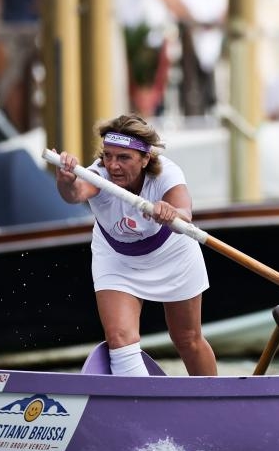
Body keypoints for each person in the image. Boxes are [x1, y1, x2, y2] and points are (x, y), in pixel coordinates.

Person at [53, 114, 217, 377]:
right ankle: (141, 408)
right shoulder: (98, 175)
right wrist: (66, 180)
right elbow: (75, 194)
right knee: (119, 338)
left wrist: (170, 212)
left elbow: (185, 212)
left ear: (145, 158)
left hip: (171, 253)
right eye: (108, 155)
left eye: (124, 158)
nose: (113, 166)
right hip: (117, 257)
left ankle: (215, 406)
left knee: (187, 338)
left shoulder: (167, 172)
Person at [118, 0, 190, 117]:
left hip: (153, 33)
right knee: (144, 85)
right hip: (141, 33)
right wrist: (189, 16)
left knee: (151, 85)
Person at [178, 0, 225, 116]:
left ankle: (209, 110)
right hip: (193, 39)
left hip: (211, 39)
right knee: (192, 82)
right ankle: (192, 113)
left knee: (208, 80)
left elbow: (220, 12)